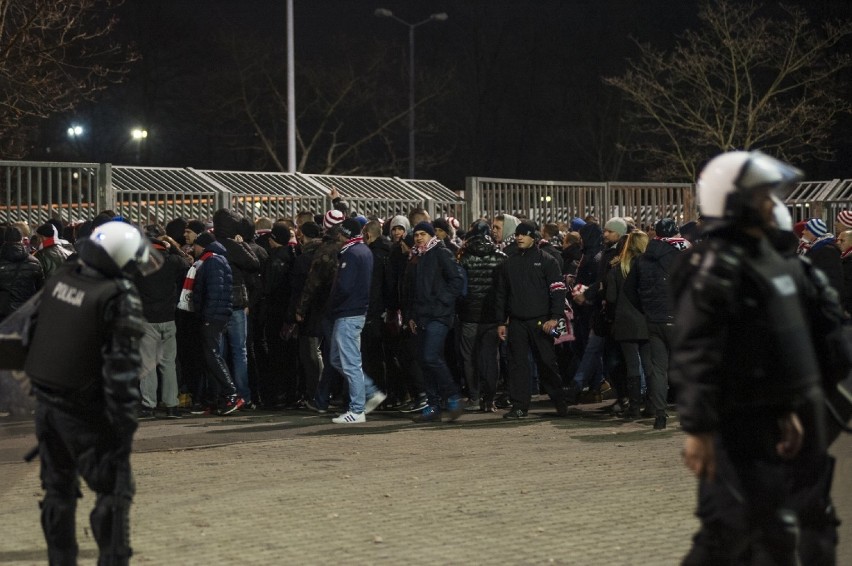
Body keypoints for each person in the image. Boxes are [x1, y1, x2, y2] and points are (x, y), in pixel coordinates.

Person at [671, 150, 838, 565]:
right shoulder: (717, 265)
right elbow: (696, 350)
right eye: (761, 195)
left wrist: (785, 409)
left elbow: (774, 347)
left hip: (764, 418)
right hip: (732, 423)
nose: (771, 204)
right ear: (732, 200)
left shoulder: (762, 262)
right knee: (724, 534)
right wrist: (699, 430)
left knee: (774, 533)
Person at [24, 221, 158, 565]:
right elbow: (122, 371)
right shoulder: (118, 294)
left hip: (48, 408)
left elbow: (34, 335)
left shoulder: (63, 278)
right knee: (115, 494)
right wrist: (123, 428)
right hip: (88, 414)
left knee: (58, 494)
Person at [495, 219, 569, 419]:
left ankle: (560, 402)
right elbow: (502, 294)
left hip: (540, 322)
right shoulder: (509, 263)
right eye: (518, 234)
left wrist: (554, 317)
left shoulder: (547, 260)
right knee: (518, 365)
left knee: (547, 363)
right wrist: (502, 321)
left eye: (524, 234)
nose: (519, 237)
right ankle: (519, 406)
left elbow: (558, 290)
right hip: (517, 322)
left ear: (533, 237)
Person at [404, 221, 466, 422]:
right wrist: (412, 315)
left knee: (431, 356)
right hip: (422, 315)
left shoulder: (441, 252)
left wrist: (442, 301)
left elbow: (457, 280)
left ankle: (453, 396)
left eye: (423, 233)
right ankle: (434, 405)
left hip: (439, 315)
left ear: (431, 235)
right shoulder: (418, 256)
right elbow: (414, 290)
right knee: (424, 359)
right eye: (416, 234)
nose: (419, 237)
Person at [327, 219, 387, 424]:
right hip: (355, 312)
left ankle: (357, 409)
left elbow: (344, 287)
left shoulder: (352, 253)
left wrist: (332, 303)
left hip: (348, 313)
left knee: (349, 361)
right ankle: (369, 392)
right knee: (339, 358)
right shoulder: (363, 251)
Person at [134, 225, 191, 419]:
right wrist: (173, 246)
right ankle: (172, 405)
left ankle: (148, 405)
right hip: (169, 318)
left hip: (147, 319)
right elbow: (187, 262)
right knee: (168, 364)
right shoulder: (173, 261)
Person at [187, 231, 244, 415]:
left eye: (195, 245)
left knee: (213, 356)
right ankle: (218, 397)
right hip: (216, 316)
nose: (193, 248)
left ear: (202, 245)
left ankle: (231, 394)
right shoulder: (215, 259)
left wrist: (206, 316)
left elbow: (214, 293)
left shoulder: (211, 261)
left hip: (212, 317)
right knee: (212, 356)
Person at [457, 220, 508, 412]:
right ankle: (490, 399)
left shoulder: (463, 256)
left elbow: (459, 289)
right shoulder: (501, 257)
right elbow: (504, 289)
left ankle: (474, 397)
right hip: (493, 316)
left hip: (469, 314)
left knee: (468, 357)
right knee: (490, 358)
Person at [0, 226, 44, 319]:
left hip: (3, 313)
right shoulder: (34, 261)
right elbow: (41, 290)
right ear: (21, 240)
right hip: (26, 312)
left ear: (5, 240)